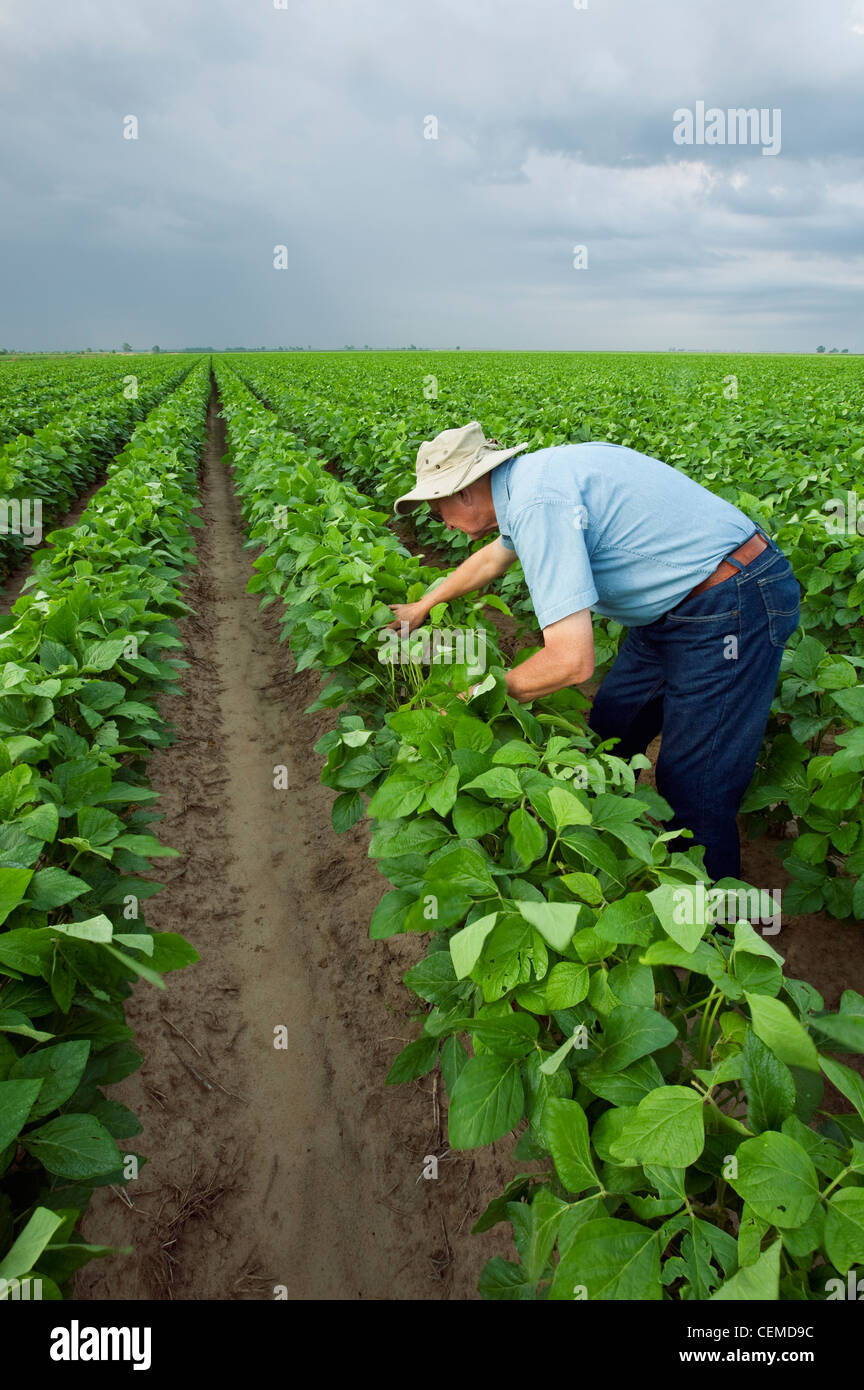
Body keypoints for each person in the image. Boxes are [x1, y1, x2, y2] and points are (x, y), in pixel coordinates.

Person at [388, 422, 801, 881]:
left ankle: (715, 931)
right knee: (613, 725)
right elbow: (492, 558)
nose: (439, 521)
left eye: (435, 507)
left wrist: (474, 701)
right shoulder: (528, 482)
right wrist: (426, 604)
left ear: (463, 491)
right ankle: (607, 838)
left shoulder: (539, 503)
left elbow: (571, 661)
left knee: (694, 784)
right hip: (675, 605)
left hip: (731, 602)